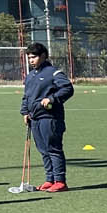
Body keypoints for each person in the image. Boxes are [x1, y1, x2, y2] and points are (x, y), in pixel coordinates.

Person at [21, 42, 75, 191]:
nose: (31, 60)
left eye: (34, 57)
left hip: (50, 118)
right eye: (29, 58)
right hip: (35, 118)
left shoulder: (53, 73)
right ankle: (50, 179)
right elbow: (26, 96)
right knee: (43, 150)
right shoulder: (30, 76)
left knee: (53, 149)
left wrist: (51, 99)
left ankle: (60, 181)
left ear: (43, 56)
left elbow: (67, 88)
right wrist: (25, 112)